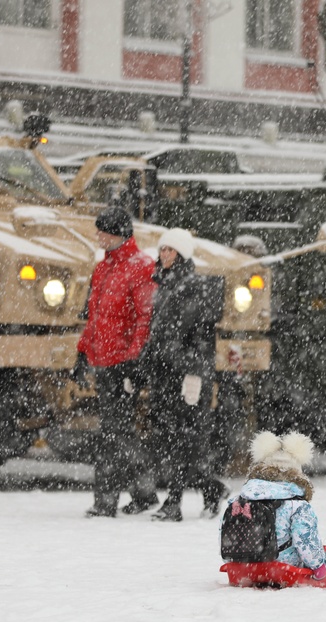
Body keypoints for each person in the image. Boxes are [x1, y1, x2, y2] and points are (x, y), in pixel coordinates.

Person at [141, 228, 228, 522]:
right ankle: (211, 488)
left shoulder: (194, 288)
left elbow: (201, 339)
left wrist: (193, 374)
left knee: (183, 439)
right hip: (165, 373)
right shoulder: (163, 285)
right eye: (162, 249)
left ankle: (174, 502)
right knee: (173, 439)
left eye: (170, 250)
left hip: (185, 376)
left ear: (182, 254)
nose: (164, 255)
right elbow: (159, 335)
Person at [77, 206, 158, 517]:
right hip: (103, 360)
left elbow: (144, 318)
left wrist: (135, 360)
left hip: (121, 363)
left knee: (113, 433)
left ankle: (107, 501)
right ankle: (143, 491)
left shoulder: (140, 267)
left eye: (103, 231)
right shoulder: (104, 267)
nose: (98, 236)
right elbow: (95, 316)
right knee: (116, 431)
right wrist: (82, 352)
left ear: (117, 234)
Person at [220, 431, 326, 577]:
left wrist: (233, 560)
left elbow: (226, 531)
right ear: (296, 473)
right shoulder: (296, 505)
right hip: (284, 566)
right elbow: (305, 539)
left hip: (246, 564)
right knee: (325, 557)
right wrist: (317, 567)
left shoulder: (240, 501)